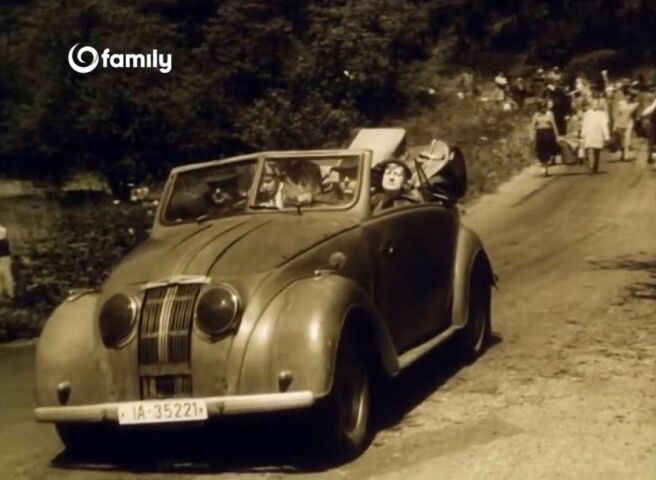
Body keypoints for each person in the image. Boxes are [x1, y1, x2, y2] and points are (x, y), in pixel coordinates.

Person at [581, 96, 610, 174]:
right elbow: (584, 124)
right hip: (589, 134)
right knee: (590, 151)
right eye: (593, 104)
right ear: (591, 105)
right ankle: (591, 167)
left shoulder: (602, 114)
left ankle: (595, 166)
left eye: (596, 104)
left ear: (598, 105)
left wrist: (606, 135)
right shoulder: (587, 114)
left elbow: (604, 125)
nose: (595, 105)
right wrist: (583, 134)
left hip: (598, 135)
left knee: (597, 152)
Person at [531, 100, 560, 176]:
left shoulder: (550, 114)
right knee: (540, 151)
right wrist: (532, 137)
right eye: (542, 108)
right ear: (539, 108)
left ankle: (545, 168)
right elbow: (533, 127)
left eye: (545, 107)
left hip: (548, 133)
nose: (544, 109)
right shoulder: (536, 115)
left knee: (547, 152)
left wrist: (557, 135)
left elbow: (554, 125)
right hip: (540, 134)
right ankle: (543, 168)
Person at [613, 89, 639, 161]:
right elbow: (616, 114)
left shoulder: (635, 105)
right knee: (621, 140)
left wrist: (635, 123)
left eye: (630, 96)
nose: (628, 97)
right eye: (627, 95)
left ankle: (626, 155)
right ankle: (623, 153)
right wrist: (615, 125)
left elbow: (635, 115)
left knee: (627, 139)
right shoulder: (621, 103)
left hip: (629, 123)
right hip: (620, 122)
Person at [0, 225, 14, 301]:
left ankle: (8, 293)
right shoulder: (5, 242)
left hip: (4, 259)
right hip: (5, 259)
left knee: (3, 277)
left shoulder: (4, 242)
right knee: (6, 276)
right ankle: (10, 293)